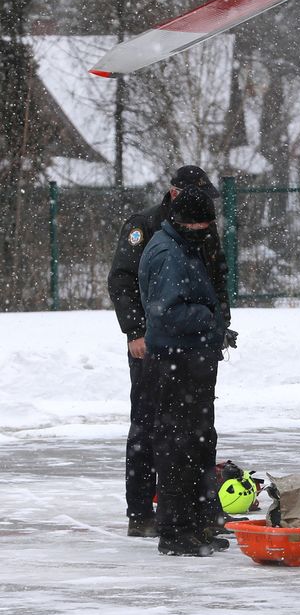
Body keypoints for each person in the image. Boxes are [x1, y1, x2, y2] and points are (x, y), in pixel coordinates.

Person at [107, 165, 231, 538]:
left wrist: (219, 324)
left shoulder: (201, 228)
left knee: (196, 431)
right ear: (175, 193)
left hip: (196, 345)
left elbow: (217, 278)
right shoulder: (147, 228)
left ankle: (198, 511)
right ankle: (143, 511)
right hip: (157, 344)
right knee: (151, 429)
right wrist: (136, 331)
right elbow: (123, 279)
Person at [140, 186, 229, 557]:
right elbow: (167, 313)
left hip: (191, 362)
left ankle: (192, 524)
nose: (209, 229)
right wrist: (211, 320)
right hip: (177, 365)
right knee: (179, 449)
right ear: (188, 221)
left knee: (197, 445)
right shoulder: (168, 252)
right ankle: (176, 531)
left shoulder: (183, 247)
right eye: (205, 222)